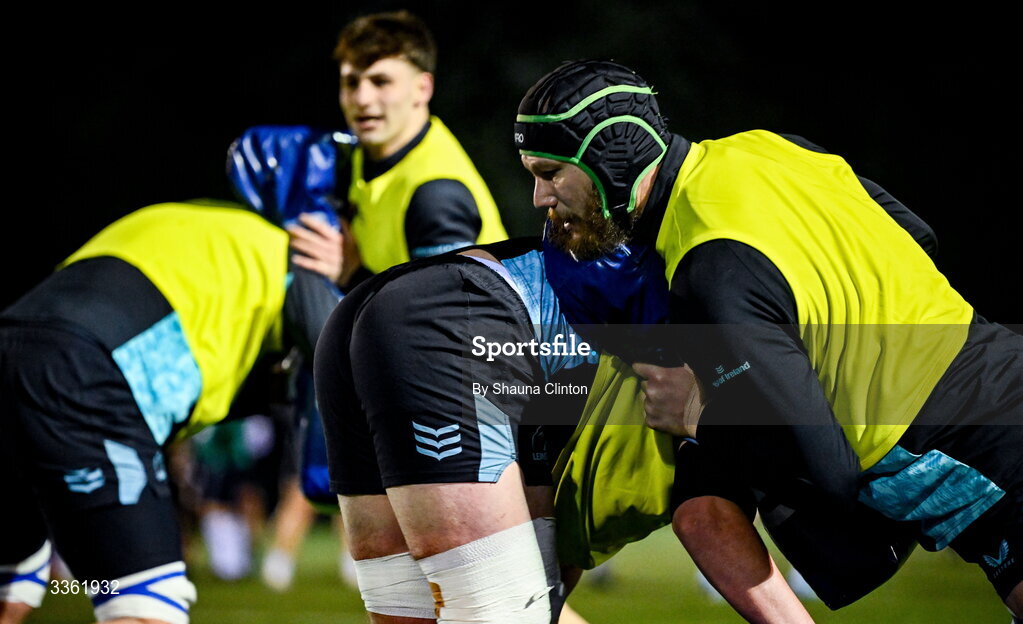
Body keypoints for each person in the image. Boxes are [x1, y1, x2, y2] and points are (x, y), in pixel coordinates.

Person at [514, 59, 1021, 622]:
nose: (540, 197)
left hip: (985, 452)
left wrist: (697, 414)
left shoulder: (709, 268)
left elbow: (827, 471)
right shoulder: (767, 148)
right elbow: (915, 234)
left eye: (551, 172)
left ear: (613, 160)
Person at [0, 200, 341, 624]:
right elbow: (344, 371)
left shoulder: (187, 221)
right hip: (86, 370)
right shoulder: (297, 264)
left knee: (13, 590)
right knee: (146, 606)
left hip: (12, 342)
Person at [314, 237, 605, 623]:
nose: (539, 197)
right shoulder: (437, 188)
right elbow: (699, 518)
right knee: (506, 609)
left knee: (412, 610)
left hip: (375, 319)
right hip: (460, 327)